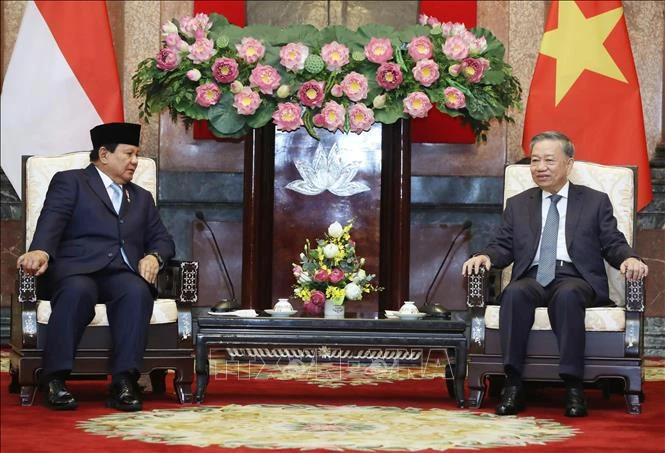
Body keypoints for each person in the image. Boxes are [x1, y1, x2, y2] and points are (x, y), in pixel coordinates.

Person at [462, 131, 648, 418]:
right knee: (514, 293)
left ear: (569, 164)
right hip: (533, 276)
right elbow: (503, 246)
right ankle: (513, 384)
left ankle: (574, 386)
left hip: (576, 277)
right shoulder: (519, 203)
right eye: (535, 160)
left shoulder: (595, 201)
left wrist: (630, 258)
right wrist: (484, 256)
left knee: (568, 295)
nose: (540, 167)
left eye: (549, 160)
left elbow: (613, 243)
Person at [16, 122, 175, 412]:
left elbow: (163, 240)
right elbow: (52, 222)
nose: (134, 161)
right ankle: (55, 379)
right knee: (78, 291)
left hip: (121, 274)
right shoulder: (71, 181)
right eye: (128, 154)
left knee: (136, 292)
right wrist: (39, 251)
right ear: (104, 154)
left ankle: (124, 381)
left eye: (137, 154)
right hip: (77, 271)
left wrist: (154, 257)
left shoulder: (141, 197)